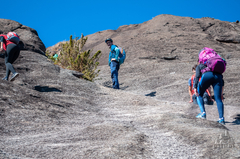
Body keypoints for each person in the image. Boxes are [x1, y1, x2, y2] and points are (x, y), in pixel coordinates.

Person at [194, 56, 225, 125]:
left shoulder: (200, 65)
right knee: (218, 99)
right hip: (218, 77)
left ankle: (203, 114)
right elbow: (222, 82)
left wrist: (195, 87)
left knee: (199, 94)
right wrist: (221, 93)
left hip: (207, 76)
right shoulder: (214, 67)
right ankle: (221, 119)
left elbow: (197, 76)